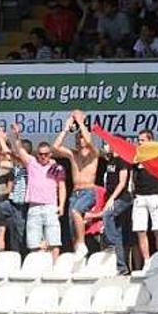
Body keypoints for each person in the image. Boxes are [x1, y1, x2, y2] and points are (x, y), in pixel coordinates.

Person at [3, 124, 66, 261]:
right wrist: (16, 135)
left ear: (50, 154)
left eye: (46, 154)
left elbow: (62, 186)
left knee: (54, 241)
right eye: (40, 154)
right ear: (37, 154)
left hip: (50, 206)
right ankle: (37, 268)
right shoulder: (32, 163)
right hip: (34, 206)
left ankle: (54, 270)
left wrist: (61, 205)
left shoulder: (56, 167)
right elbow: (19, 150)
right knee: (33, 242)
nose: (43, 157)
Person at [53, 110, 99, 258]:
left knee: (76, 212)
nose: (79, 140)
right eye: (77, 138)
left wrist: (80, 122)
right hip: (75, 192)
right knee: (73, 225)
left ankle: (82, 244)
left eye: (81, 138)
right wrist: (67, 128)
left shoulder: (94, 153)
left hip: (88, 191)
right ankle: (78, 253)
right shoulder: (73, 154)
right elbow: (56, 147)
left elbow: (90, 141)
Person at [131, 129, 158, 263]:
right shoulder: (136, 157)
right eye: (138, 140)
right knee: (140, 230)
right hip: (140, 197)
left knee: (157, 230)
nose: (140, 143)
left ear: (150, 141)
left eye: (143, 140)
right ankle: (147, 261)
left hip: (156, 195)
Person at [98, 145, 131, 275]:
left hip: (123, 198)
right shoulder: (110, 160)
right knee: (118, 234)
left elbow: (122, 182)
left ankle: (111, 243)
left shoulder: (122, 161)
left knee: (107, 214)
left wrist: (112, 199)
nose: (106, 146)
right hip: (112, 198)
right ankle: (122, 267)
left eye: (108, 144)